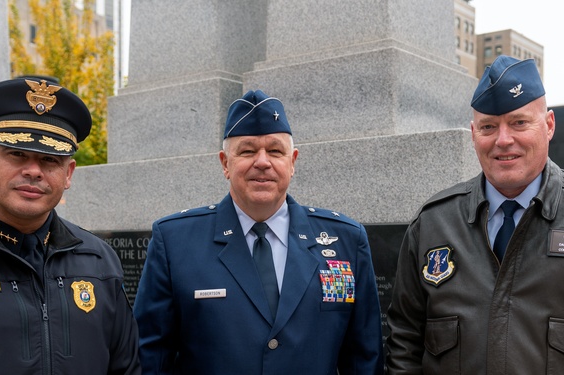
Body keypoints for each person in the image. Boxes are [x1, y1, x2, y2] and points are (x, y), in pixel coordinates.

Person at [133, 89, 384, 374]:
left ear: (293, 162)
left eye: (275, 151)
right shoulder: (176, 242)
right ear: (225, 164)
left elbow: (365, 358)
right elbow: (150, 356)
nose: (262, 162)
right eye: (248, 150)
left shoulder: (347, 241)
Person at [385, 55, 561, 374]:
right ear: (473, 133)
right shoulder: (433, 224)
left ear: (548, 125)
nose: (503, 140)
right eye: (489, 127)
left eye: (519, 122)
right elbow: (404, 343)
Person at [0, 77, 141, 374]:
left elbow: (126, 368)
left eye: (50, 159)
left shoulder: (98, 260)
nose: (33, 171)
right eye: (17, 153)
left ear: (68, 173)